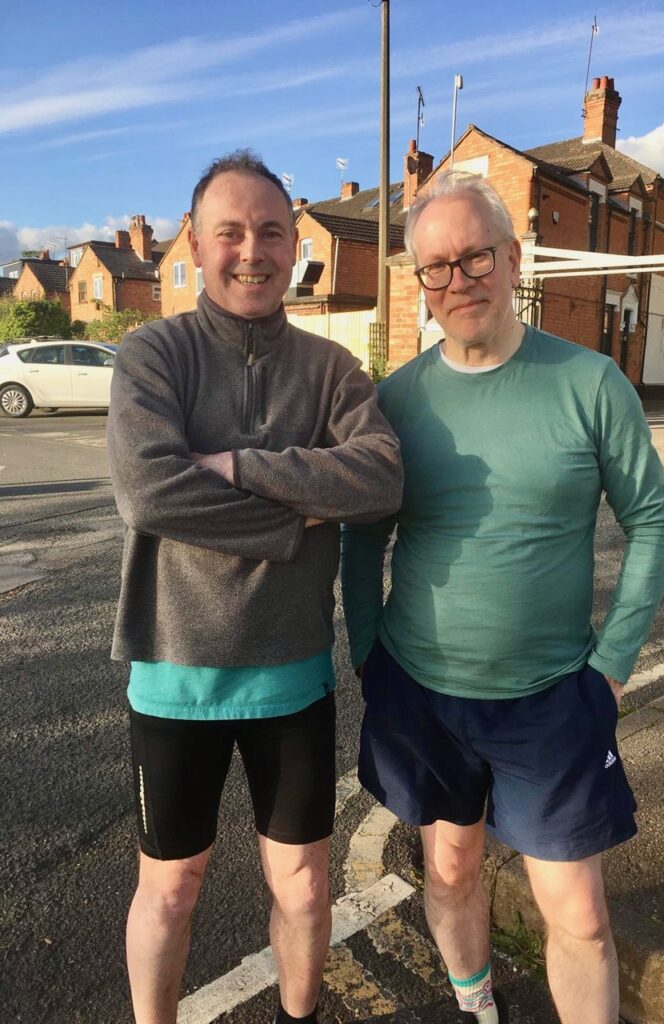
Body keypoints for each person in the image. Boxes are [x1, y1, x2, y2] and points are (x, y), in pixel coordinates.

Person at [341, 171, 664, 1024]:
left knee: (579, 914)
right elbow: (360, 537)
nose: (459, 281)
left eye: (475, 257)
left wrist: (610, 666)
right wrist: (366, 651)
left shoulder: (592, 383)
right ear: (419, 280)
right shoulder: (396, 402)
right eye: (437, 267)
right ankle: (475, 1004)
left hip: (551, 699)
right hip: (420, 689)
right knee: (448, 870)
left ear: (512, 257)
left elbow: (653, 521)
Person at [108, 149, 403, 1024]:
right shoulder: (152, 353)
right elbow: (150, 489)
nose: (252, 251)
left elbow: (382, 477)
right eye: (229, 232)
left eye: (271, 231)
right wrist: (293, 520)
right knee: (170, 892)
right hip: (175, 672)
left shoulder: (332, 370)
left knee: (307, 890)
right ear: (195, 246)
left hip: (291, 672)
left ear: (294, 246)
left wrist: (239, 465)